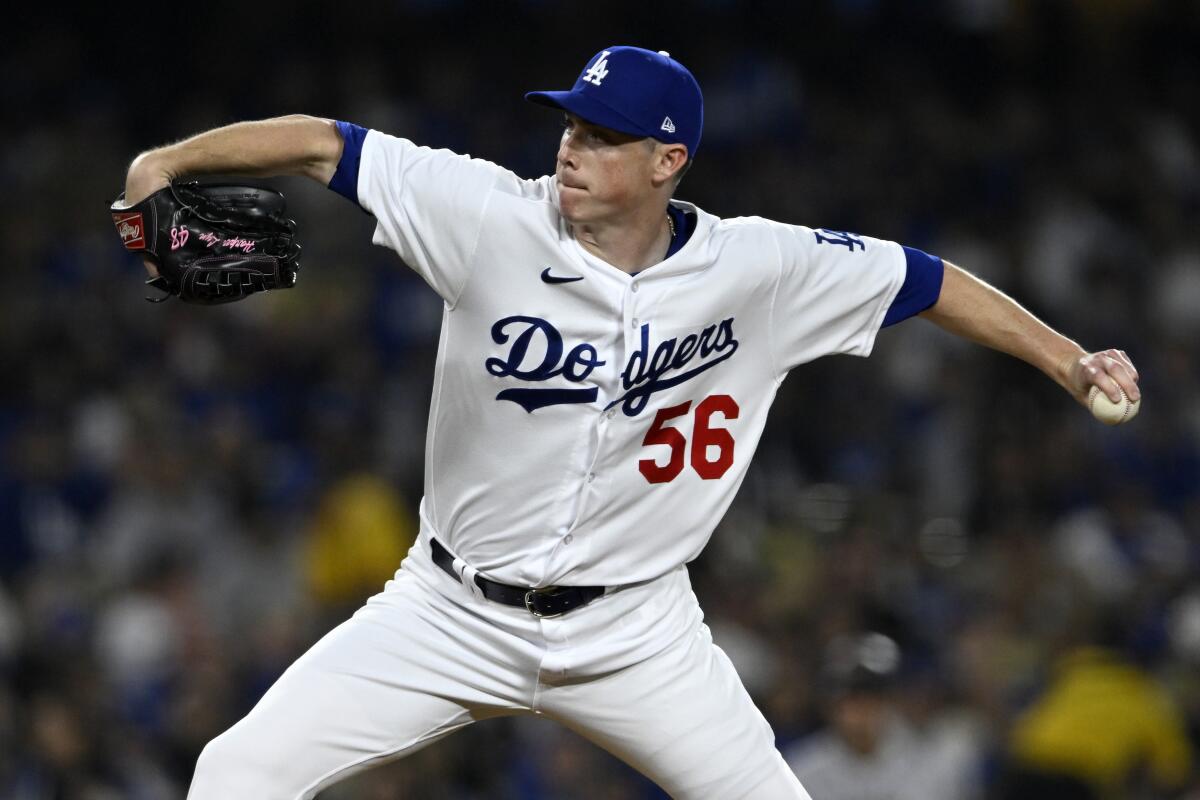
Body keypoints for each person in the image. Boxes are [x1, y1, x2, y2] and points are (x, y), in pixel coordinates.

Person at [119, 46, 1141, 799]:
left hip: (634, 630)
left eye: (602, 137)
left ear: (668, 161)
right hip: (446, 608)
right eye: (569, 125)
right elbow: (318, 143)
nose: (571, 149)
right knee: (235, 771)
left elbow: (925, 281)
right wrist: (166, 162)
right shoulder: (485, 215)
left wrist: (1066, 356)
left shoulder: (760, 267)